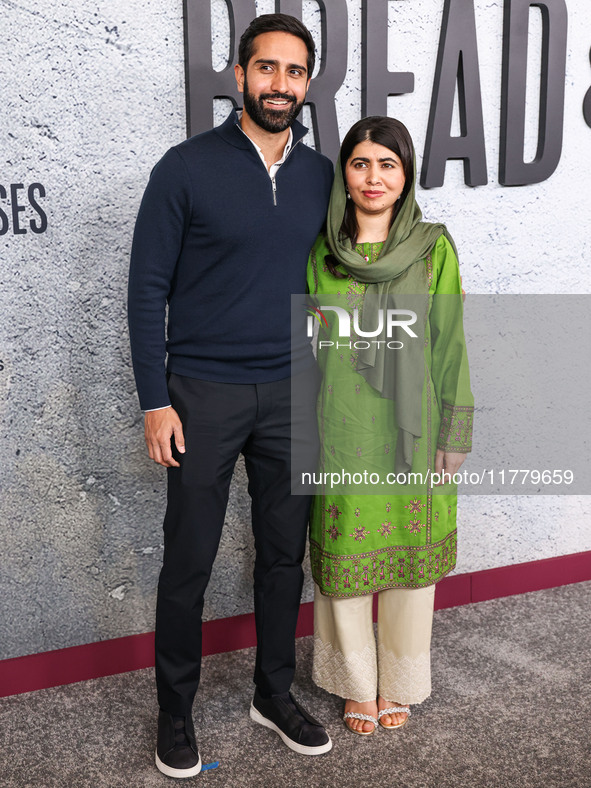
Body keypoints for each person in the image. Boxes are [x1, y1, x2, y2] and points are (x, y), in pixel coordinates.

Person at [128, 14, 334, 778]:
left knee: (284, 557)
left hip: (293, 392)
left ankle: (271, 693)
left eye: (294, 72)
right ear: (239, 75)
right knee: (188, 558)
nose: (280, 84)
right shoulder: (183, 169)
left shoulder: (320, 175)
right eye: (266, 69)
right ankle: (174, 712)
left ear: (307, 83)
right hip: (201, 393)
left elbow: (341, 275)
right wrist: (157, 400)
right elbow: (147, 290)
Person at [306, 116, 473, 735]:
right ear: (344, 175)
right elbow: (305, 348)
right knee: (346, 554)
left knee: (409, 554)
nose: (373, 178)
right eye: (360, 164)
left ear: (405, 177)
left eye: (388, 165)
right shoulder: (322, 251)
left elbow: (450, 342)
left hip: (414, 426)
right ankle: (355, 684)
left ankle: (401, 679)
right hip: (341, 425)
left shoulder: (433, 248)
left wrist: (454, 432)